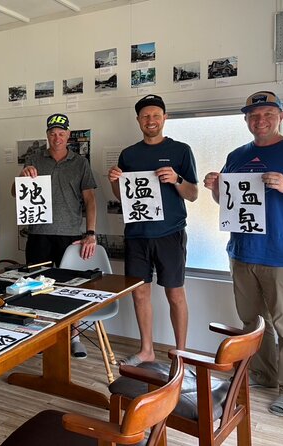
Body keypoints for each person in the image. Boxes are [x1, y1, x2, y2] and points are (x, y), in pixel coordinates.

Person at [203, 91, 283, 417]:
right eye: (254, 115)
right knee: (253, 322)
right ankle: (263, 373)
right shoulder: (238, 155)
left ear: (280, 116)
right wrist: (216, 188)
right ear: (246, 120)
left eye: (268, 114)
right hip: (242, 252)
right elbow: (227, 204)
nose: (261, 120)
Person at [108, 94, 198, 366]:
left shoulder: (181, 150)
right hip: (136, 234)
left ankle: (180, 353)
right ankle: (146, 349)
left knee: (175, 293)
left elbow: (192, 193)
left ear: (164, 118)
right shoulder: (129, 154)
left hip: (169, 233)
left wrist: (177, 179)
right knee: (140, 292)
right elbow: (122, 195)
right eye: (145, 116)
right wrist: (115, 181)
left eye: (156, 115)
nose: (151, 120)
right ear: (138, 120)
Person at [13, 113, 97, 358]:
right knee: (36, 286)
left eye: (61, 133)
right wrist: (22, 176)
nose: (57, 137)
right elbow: (14, 192)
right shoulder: (35, 159)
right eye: (52, 133)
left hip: (70, 235)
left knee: (70, 288)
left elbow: (90, 199)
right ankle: (41, 336)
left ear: (68, 135)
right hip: (38, 233)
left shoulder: (80, 162)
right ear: (47, 135)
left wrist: (90, 232)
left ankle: (74, 336)